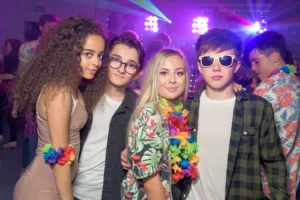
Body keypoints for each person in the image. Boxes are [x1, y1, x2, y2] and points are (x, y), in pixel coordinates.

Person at [182, 28, 288, 200]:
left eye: (225, 60)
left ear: (236, 65)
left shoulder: (258, 108)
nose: (216, 67)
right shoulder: (184, 109)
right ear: (200, 67)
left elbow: (274, 163)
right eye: (208, 60)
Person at [12, 16, 107, 199]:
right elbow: (59, 157)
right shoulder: (59, 92)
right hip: (42, 190)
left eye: (100, 55)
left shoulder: (72, 87)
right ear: (70, 52)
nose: (96, 62)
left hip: (54, 186)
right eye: (88, 54)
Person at [73, 34, 146, 200]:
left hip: (112, 193)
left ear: (138, 73)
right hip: (72, 189)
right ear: (105, 60)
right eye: (116, 59)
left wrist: (136, 152)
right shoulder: (81, 95)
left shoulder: (139, 109)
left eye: (131, 65)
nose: (121, 69)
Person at [121, 49, 190, 200]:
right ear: (153, 77)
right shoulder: (148, 115)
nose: (172, 80)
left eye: (179, 73)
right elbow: (151, 184)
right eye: (164, 73)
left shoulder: (177, 113)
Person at [246, 31, 300, 200]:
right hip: (294, 180)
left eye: (256, 61)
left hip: (270, 185)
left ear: (275, 56)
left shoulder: (265, 90)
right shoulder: (296, 82)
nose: (253, 69)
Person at [0, 39, 22, 146]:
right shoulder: (16, 58)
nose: (5, 47)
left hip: (10, 90)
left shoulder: (12, 58)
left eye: (7, 45)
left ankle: (10, 139)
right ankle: (12, 140)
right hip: (13, 90)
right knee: (11, 115)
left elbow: (13, 76)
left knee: (10, 115)